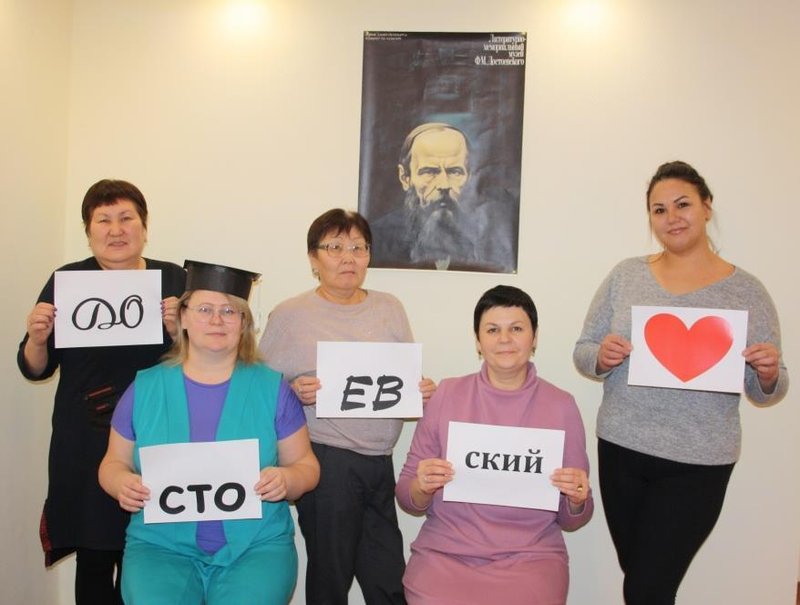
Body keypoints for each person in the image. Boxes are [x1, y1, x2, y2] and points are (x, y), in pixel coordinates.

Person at [573, 160, 789, 605]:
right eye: (659, 210)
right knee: (642, 582)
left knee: (647, 588)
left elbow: (769, 385)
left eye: (682, 204)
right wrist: (601, 357)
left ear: (707, 207)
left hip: (700, 462)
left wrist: (768, 373)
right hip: (622, 449)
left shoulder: (747, 291)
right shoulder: (626, 275)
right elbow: (584, 350)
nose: (671, 217)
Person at [98, 260, 319, 604]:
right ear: (183, 318)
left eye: (229, 311)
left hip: (255, 548)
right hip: (160, 547)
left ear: (243, 323)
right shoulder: (145, 388)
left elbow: (306, 466)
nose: (217, 320)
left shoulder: (272, 389)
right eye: (204, 309)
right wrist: (121, 483)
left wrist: (287, 480)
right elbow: (112, 464)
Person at [17, 179, 186, 604]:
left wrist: (177, 330)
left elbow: (207, 358)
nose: (116, 230)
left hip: (158, 433)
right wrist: (37, 338)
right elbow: (35, 367)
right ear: (88, 230)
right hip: (86, 438)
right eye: (103, 220)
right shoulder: (68, 280)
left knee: (148, 555)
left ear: (144, 226)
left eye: (126, 218)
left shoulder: (174, 278)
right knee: (93, 555)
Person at [258, 208, 436, 605]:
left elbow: (401, 378)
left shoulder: (390, 307)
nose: (348, 258)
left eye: (358, 247)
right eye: (335, 247)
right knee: (331, 578)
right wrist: (294, 390)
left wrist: (419, 389)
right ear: (313, 258)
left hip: (380, 460)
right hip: (327, 460)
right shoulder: (290, 315)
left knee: (388, 578)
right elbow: (259, 390)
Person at [395, 285, 593, 605]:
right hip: (445, 555)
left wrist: (577, 498)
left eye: (516, 328)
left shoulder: (561, 406)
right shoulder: (446, 395)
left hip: (532, 558)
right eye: (492, 330)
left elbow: (574, 518)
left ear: (534, 337)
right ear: (478, 340)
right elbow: (407, 497)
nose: (504, 339)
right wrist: (422, 485)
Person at [369, 122, 517, 273]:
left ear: (469, 176)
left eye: (454, 172)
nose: (444, 184)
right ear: (405, 178)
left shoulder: (494, 240)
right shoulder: (377, 239)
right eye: (430, 172)